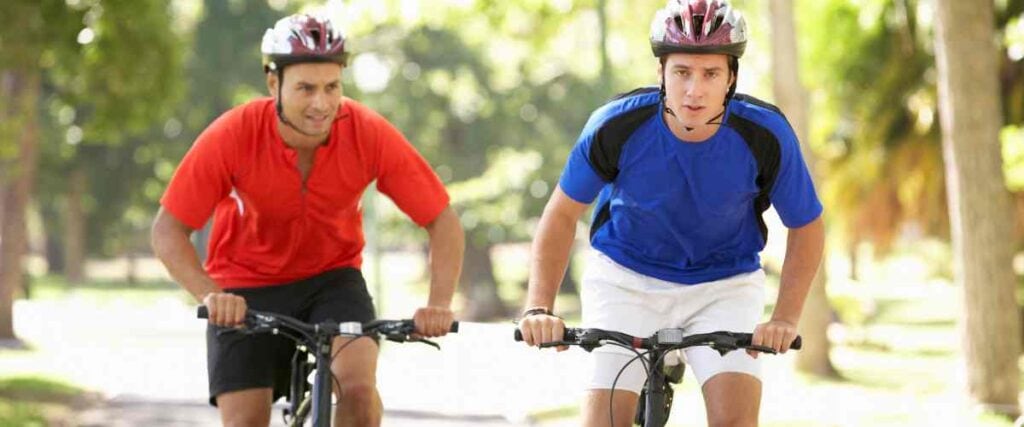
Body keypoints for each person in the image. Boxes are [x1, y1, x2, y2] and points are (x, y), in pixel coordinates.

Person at [516, 0, 824, 425]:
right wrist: (539, 307)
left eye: (710, 73)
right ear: (660, 73)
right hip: (626, 278)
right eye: (681, 72)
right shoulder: (614, 126)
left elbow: (806, 225)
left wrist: (785, 318)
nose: (694, 90)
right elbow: (561, 214)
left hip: (724, 283)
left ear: (731, 78)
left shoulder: (766, 134)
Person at [150, 13, 464, 427]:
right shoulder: (234, 134)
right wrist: (211, 296)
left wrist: (438, 304)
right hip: (244, 287)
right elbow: (168, 230)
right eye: (306, 88)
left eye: (332, 87)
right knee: (245, 422)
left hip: (332, 280)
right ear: (274, 84)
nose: (322, 103)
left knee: (359, 395)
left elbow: (442, 221)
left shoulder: (366, 132)